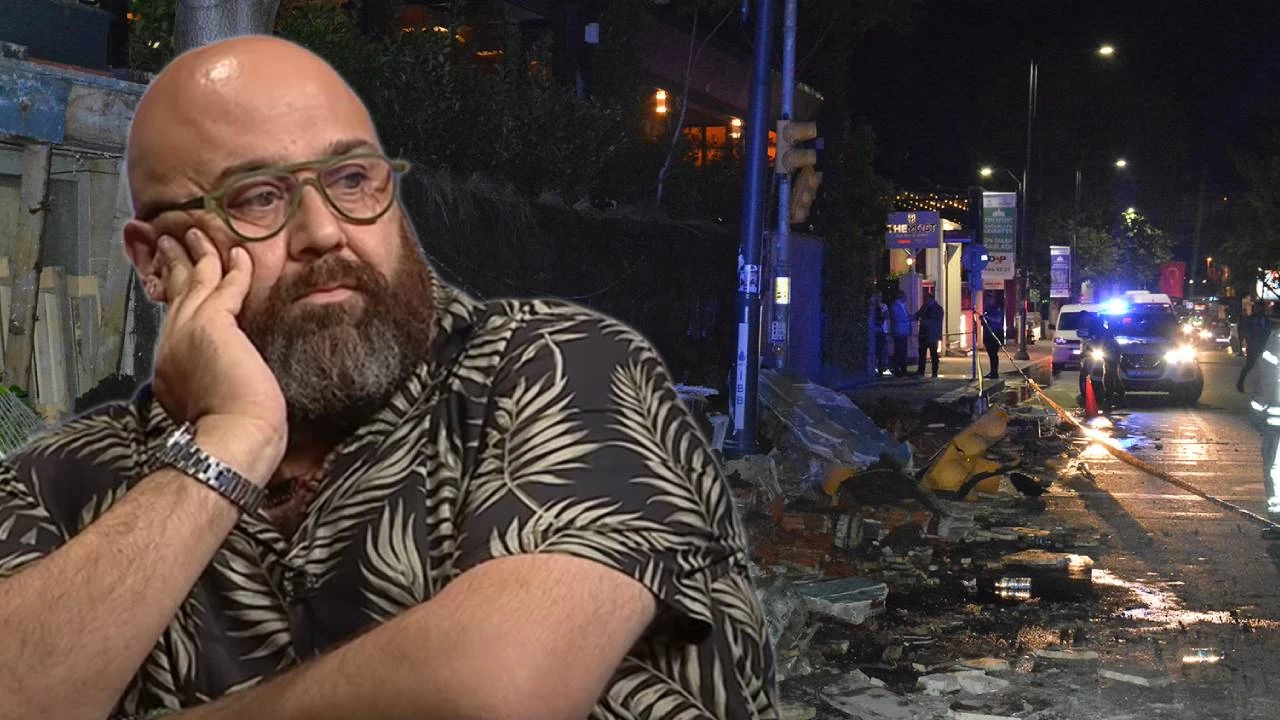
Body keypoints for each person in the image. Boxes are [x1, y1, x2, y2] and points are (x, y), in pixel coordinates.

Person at [0, 37, 775, 719]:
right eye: (257, 197)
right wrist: (230, 443)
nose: (324, 232)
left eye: (352, 179)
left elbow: (500, 688)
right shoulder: (59, 482)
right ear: (154, 261)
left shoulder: (554, 366)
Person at [1238, 301, 1272, 393]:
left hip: (1263, 346)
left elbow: (1268, 331)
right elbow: (1246, 331)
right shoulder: (1250, 319)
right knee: (1249, 365)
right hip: (1253, 346)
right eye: (1258, 308)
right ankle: (1240, 382)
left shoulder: (1265, 320)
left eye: (1261, 308)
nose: (1260, 310)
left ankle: (1261, 387)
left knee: (1264, 367)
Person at [914, 292, 945, 378]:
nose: (926, 302)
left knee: (933, 354)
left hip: (932, 334)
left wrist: (924, 321)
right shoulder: (925, 307)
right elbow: (918, 314)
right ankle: (921, 371)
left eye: (927, 300)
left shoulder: (938, 309)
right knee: (922, 353)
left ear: (932, 299)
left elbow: (937, 322)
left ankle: (934, 372)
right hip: (923, 334)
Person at [890, 290, 912, 376]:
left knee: (903, 351)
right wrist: (909, 318)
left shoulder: (902, 306)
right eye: (904, 296)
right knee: (899, 351)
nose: (906, 298)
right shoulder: (895, 306)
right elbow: (898, 318)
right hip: (899, 332)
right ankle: (897, 369)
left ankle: (903, 369)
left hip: (903, 332)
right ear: (900, 297)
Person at [982, 298, 1005, 379]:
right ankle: (993, 372)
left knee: (993, 354)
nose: (987, 301)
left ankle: (994, 372)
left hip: (995, 334)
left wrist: (987, 317)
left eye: (989, 299)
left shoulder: (997, 309)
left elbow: (998, 320)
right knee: (991, 354)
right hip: (988, 335)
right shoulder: (987, 309)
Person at [872, 290, 890, 376]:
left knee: (882, 351)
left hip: (883, 331)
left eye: (880, 296)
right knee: (876, 351)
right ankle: (875, 368)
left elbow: (887, 316)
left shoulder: (883, 306)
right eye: (878, 296)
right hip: (875, 331)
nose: (880, 298)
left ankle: (882, 368)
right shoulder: (872, 306)